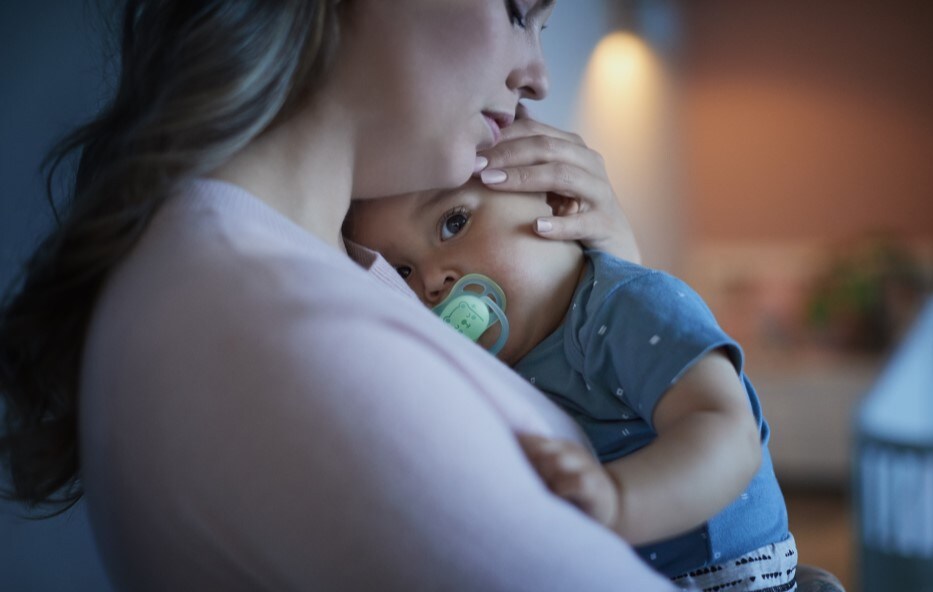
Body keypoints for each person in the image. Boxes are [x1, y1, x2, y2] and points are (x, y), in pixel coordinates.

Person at [0, 1, 679, 590]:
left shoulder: (313, 268)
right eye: (516, 9)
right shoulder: (278, 330)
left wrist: (608, 293)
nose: (538, 75)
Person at [345, 150, 797, 591]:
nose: (430, 282)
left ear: (556, 201)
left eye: (454, 223)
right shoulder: (490, 368)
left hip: (723, 574)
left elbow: (727, 431)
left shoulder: (626, 306)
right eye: (401, 269)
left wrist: (618, 500)